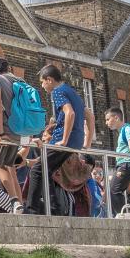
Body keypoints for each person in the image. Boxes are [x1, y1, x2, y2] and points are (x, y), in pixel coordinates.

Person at [24, 64, 86, 214]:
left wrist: (64, 140)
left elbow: (69, 113)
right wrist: (86, 142)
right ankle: (54, 208)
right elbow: (89, 116)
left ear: (49, 80)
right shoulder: (72, 92)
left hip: (63, 140)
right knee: (47, 169)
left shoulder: (57, 92)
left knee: (37, 170)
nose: (43, 86)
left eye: (42, 82)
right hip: (76, 141)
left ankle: (31, 209)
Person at [0, 58, 23, 205]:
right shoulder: (20, 81)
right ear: (9, 68)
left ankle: (14, 202)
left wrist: (0, 132)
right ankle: (18, 206)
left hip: (6, 131)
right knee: (8, 166)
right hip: (19, 132)